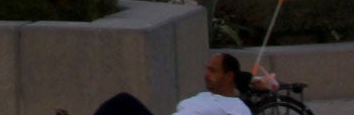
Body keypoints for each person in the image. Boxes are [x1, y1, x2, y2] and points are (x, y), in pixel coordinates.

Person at [90, 51, 251, 115]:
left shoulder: (237, 108)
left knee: (123, 101)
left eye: (213, 71)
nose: (206, 75)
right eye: (206, 69)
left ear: (229, 76)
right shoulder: (206, 96)